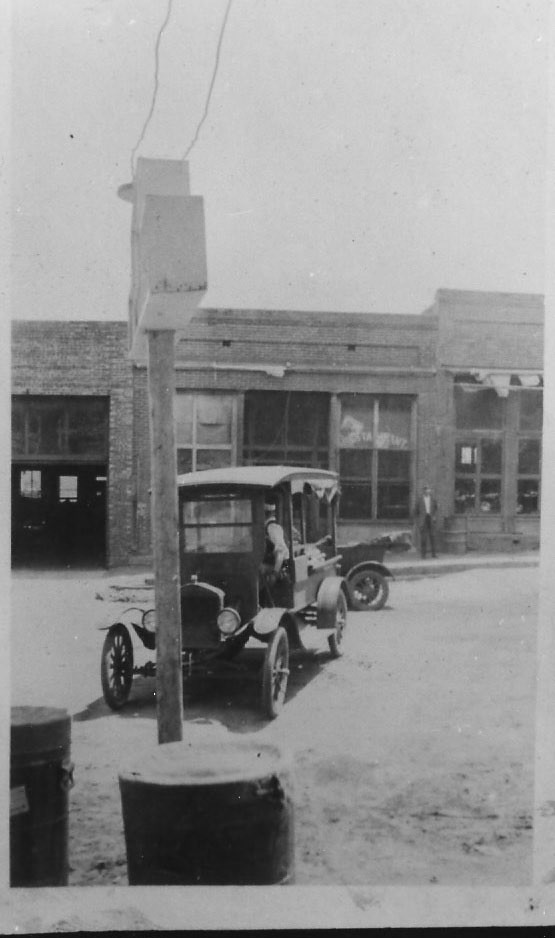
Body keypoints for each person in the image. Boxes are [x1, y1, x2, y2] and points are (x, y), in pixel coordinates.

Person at [261, 500, 290, 582]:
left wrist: (274, 574)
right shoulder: (265, 527)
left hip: (280, 568)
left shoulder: (272, 528)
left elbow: (280, 552)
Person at [414, 484, 438, 559]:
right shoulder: (419, 500)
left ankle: (434, 554)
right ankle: (423, 555)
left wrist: (434, 516)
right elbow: (416, 511)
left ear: (430, 491)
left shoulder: (433, 499)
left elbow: (436, 508)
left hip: (431, 519)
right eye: (425, 489)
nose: (427, 491)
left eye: (428, 489)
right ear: (423, 491)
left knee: (433, 536)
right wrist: (419, 520)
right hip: (423, 520)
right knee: (423, 538)